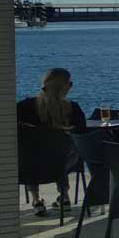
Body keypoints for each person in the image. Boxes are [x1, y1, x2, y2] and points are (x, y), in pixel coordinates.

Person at [17, 67, 86, 216]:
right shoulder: (73, 109)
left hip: (31, 166)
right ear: (64, 87)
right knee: (61, 153)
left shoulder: (24, 107)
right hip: (64, 165)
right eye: (70, 83)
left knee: (29, 150)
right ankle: (64, 197)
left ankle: (36, 200)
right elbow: (82, 133)